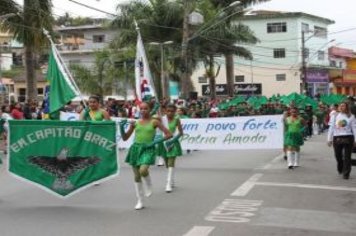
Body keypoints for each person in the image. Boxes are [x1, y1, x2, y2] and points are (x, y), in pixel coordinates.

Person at [120, 102, 172, 210]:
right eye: (141, 109)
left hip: (148, 149)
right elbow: (125, 138)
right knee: (136, 176)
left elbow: (169, 134)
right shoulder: (136, 123)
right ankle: (140, 201)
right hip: (135, 149)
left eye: (146, 108)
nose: (143, 111)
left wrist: (153, 143)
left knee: (143, 170)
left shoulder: (155, 122)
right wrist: (121, 128)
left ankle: (148, 183)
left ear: (150, 109)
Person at [327, 102, 356, 179]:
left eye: (343, 106)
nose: (341, 107)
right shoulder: (335, 115)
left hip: (348, 137)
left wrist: (355, 140)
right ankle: (340, 166)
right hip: (337, 137)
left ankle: (346, 173)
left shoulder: (351, 116)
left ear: (346, 107)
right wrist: (329, 139)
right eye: (340, 106)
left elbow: (354, 128)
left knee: (347, 156)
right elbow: (331, 127)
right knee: (338, 156)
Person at [161, 104, 183, 193]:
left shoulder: (176, 119)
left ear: (175, 112)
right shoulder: (162, 119)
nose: (170, 113)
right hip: (163, 142)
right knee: (167, 164)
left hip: (173, 142)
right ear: (165, 111)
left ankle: (168, 183)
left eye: (172, 111)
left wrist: (173, 140)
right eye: (168, 111)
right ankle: (172, 179)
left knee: (171, 162)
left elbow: (181, 133)